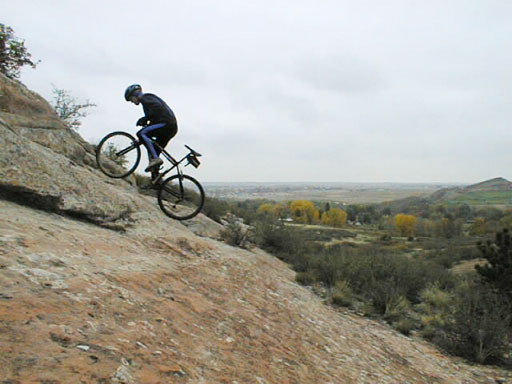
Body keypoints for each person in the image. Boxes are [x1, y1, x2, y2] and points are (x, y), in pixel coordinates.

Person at [124, 84, 178, 174]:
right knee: (153, 152)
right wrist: (147, 120)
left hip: (166, 124)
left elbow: (157, 108)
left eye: (131, 99)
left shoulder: (145, 98)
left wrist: (146, 118)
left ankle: (156, 159)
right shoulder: (147, 99)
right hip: (171, 126)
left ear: (134, 95)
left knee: (141, 134)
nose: (132, 102)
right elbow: (155, 113)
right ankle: (156, 181)